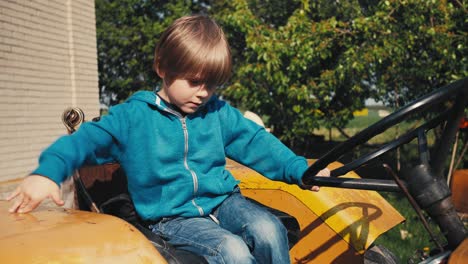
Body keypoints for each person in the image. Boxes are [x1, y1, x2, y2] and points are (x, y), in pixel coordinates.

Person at [7, 14, 329, 263]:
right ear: (162, 67)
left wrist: (297, 168)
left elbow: (256, 142)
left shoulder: (216, 112)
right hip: (170, 217)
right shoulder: (134, 117)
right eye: (194, 82)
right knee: (232, 251)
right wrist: (47, 172)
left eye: (212, 84)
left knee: (270, 230)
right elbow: (84, 141)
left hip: (223, 201)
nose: (203, 93)